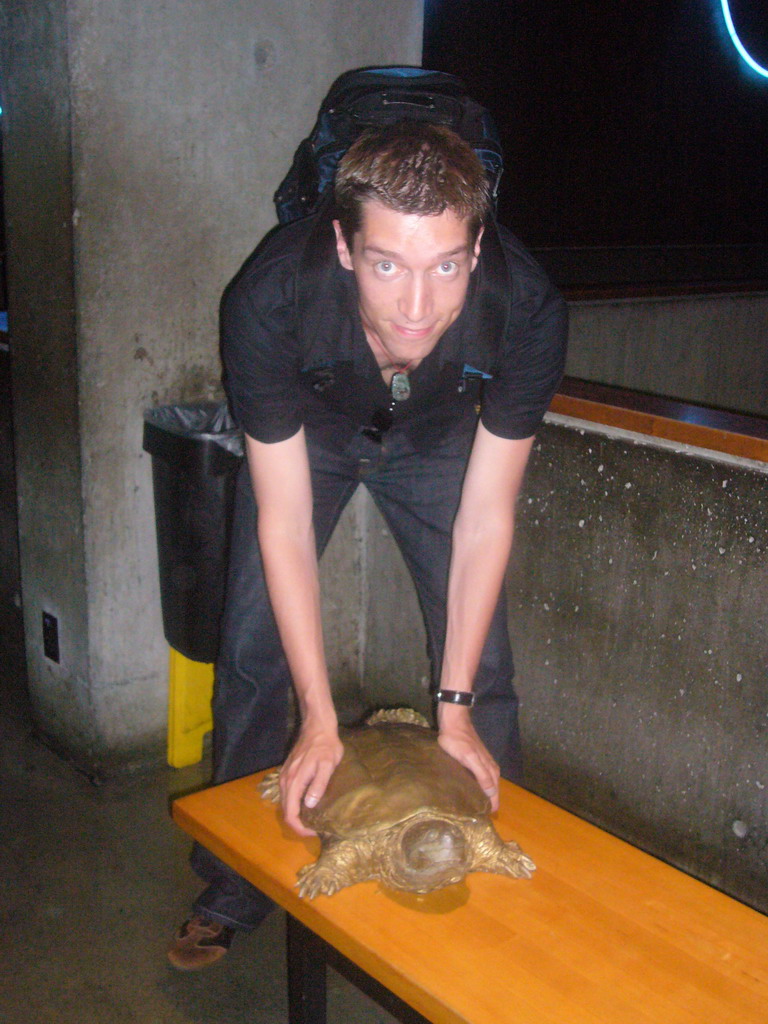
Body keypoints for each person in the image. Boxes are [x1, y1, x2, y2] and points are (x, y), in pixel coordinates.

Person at [168, 119, 567, 970]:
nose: (418, 306)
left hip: (435, 441)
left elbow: (487, 515)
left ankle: (493, 875)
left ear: (478, 247)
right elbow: (280, 518)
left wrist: (450, 712)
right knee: (251, 650)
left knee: (483, 669)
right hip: (310, 432)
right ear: (345, 247)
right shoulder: (270, 298)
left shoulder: (526, 305)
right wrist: (317, 718)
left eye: (445, 265)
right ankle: (233, 888)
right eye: (388, 264)